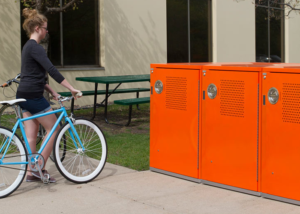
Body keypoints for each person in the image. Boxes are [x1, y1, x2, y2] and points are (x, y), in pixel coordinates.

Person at [16, 8, 81, 183]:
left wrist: (52, 91)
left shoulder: (27, 47)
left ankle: (31, 171)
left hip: (24, 94)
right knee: (55, 128)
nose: (46, 31)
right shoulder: (36, 48)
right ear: (37, 28)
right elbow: (51, 70)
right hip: (33, 96)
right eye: (45, 28)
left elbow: (34, 76)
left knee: (32, 134)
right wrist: (71, 88)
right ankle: (38, 168)